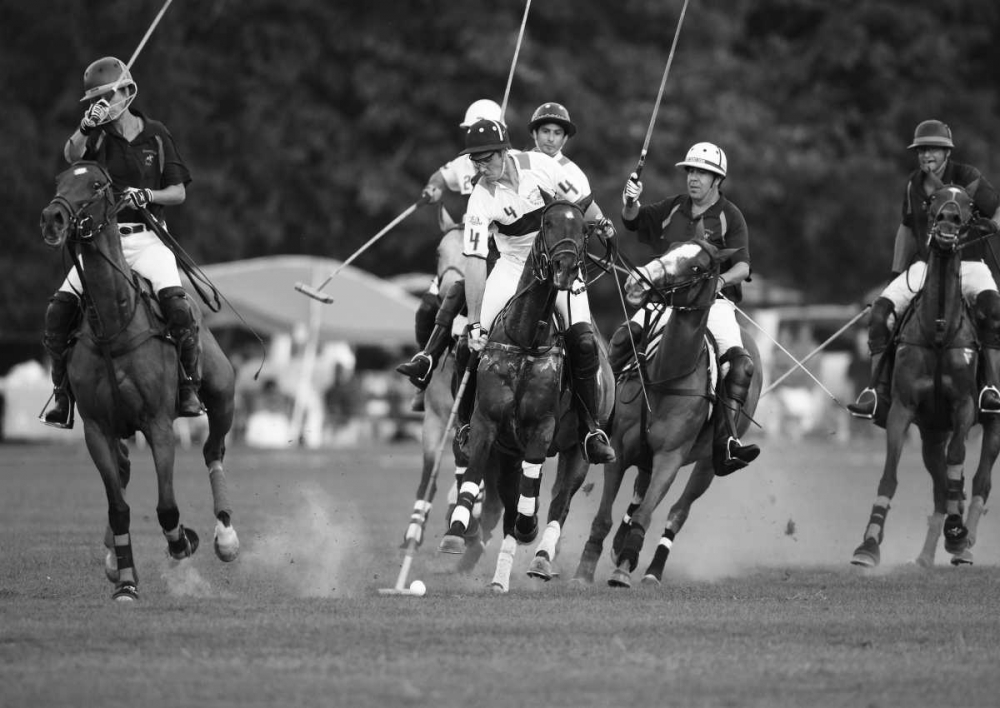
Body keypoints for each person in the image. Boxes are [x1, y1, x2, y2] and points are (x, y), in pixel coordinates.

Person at [41, 56, 201, 428]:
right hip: (101, 245)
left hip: (147, 241)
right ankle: (62, 395)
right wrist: (85, 126)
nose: (101, 105)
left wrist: (148, 195)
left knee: (178, 307)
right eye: (94, 100)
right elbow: (71, 156)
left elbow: (178, 192)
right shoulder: (96, 135)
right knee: (58, 312)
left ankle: (189, 387)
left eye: (106, 97)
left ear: (127, 92)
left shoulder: (156, 134)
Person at [459, 117, 617, 463]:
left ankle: (590, 429)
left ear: (504, 151)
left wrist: (603, 223)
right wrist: (473, 322)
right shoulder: (480, 197)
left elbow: (583, 202)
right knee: (467, 343)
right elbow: (475, 261)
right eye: (475, 160)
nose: (481, 167)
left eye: (486, 158)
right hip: (513, 267)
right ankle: (466, 425)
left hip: (560, 264)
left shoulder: (541, 165)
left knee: (584, 340)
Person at [615, 142, 760, 474]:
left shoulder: (730, 216)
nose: (693, 178)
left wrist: (720, 282)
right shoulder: (674, 207)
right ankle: (601, 419)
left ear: (717, 180)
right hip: (668, 301)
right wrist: (630, 201)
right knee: (624, 338)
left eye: (702, 173)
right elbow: (633, 221)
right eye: (691, 171)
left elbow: (743, 267)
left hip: (712, 304)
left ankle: (726, 440)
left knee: (739, 365)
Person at [847, 119, 1000, 424]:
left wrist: (993, 224)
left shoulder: (968, 177)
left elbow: (996, 208)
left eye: (933, 149)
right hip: (927, 265)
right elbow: (906, 229)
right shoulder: (914, 184)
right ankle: (876, 392)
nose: (926, 155)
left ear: (947, 152)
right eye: (921, 150)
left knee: (994, 311)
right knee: (879, 313)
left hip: (969, 264)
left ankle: (990, 388)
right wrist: (895, 274)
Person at [395, 99, 503, 411]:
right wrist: (433, 190)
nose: (474, 135)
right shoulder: (464, 163)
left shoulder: (510, 164)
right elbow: (440, 178)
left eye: (478, 129)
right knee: (426, 309)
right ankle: (425, 372)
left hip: (501, 247)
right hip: (467, 242)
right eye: (471, 130)